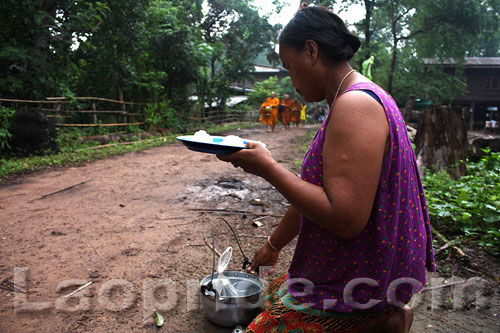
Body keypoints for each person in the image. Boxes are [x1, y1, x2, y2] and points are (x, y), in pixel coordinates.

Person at [218, 4, 435, 332]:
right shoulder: (356, 96)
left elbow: (345, 218)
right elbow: (319, 192)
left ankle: (380, 317)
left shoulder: (355, 105)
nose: (291, 80)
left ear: (311, 51)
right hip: (377, 268)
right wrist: (274, 245)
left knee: (261, 323)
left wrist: (268, 168)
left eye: (289, 67)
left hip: (364, 282)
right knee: (272, 293)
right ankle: (385, 319)